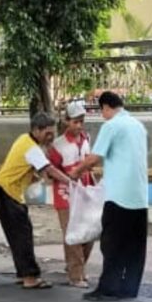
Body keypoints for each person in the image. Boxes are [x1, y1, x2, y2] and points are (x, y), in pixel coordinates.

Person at [70, 91, 149, 302]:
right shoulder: (138, 126)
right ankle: (129, 287)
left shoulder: (111, 126)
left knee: (112, 244)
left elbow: (94, 158)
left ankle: (109, 288)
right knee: (135, 246)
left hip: (118, 196)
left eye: (101, 110)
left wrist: (76, 171)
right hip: (140, 196)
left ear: (106, 107)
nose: (102, 115)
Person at [0, 112, 72, 289]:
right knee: (23, 235)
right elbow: (50, 170)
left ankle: (24, 273)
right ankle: (30, 276)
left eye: (53, 132)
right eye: (47, 133)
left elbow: (40, 172)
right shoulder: (31, 148)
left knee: (18, 234)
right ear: (36, 130)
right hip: (8, 191)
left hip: (6, 190)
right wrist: (71, 183)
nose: (51, 137)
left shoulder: (25, 140)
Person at [47, 100, 95, 288]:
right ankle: (76, 275)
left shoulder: (86, 139)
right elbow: (50, 171)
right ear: (66, 121)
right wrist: (69, 178)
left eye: (81, 121)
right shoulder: (57, 145)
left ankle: (77, 266)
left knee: (89, 232)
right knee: (73, 233)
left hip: (86, 192)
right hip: (65, 194)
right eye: (75, 122)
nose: (79, 125)